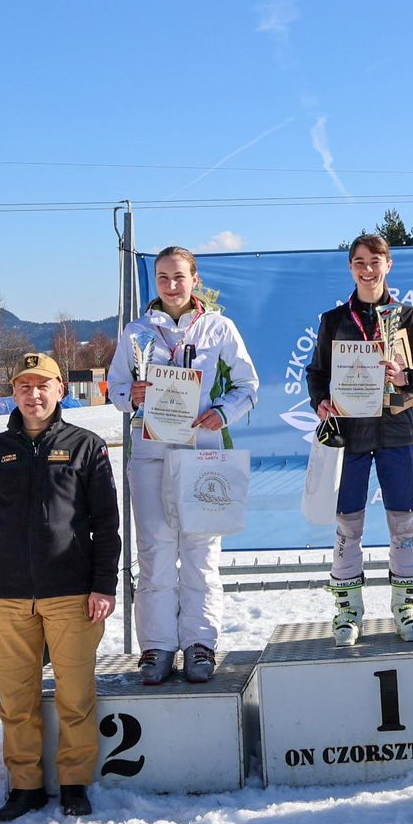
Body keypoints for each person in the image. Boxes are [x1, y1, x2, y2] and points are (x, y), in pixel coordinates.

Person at [0, 352, 121, 822]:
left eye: (43, 386)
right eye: (24, 386)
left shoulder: (86, 445)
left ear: (60, 390)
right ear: (14, 392)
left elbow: (106, 523)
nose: (34, 395)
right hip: (9, 597)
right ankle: (25, 786)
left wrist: (103, 584)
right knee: (17, 701)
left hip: (71, 593)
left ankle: (74, 783)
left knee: (75, 697)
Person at [107, 245, 260, 685]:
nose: (171, 285)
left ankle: (200, 643)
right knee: (154, 552)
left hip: (201, 450)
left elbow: (248, 386)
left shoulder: (218, 327)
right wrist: (132, 395)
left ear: (195, 280)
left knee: (201, 554)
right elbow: (115, 388)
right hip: (151, 451)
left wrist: (222, 413)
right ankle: (156, 646)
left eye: (179, 276)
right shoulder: (136, 332)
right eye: (163, 277)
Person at [305, 234, 413, 644]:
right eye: (360, 262)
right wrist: (320, 401)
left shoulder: (407, 316)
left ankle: (406, 606)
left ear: (388, 265)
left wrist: (405, 378)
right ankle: (348, 610)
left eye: (375, 261)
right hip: (350, 435)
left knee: (403, 523)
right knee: (348, 525)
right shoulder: (334, 320)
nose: (368, 270)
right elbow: (316, 374)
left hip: (397, 432)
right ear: (350, 267)